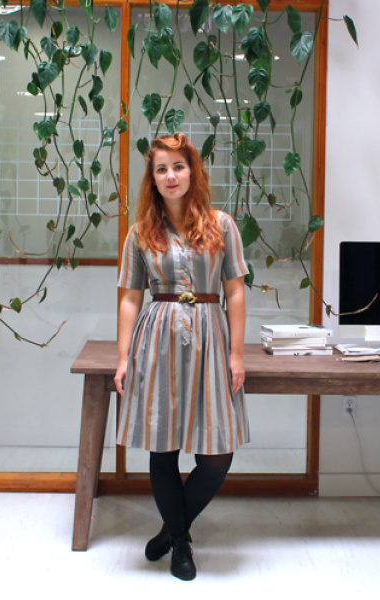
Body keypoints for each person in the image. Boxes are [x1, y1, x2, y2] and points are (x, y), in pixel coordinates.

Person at [113, 132, 249, 581]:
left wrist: (236, 354)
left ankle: (171, 531)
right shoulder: (140, 233)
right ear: (152, 179)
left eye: (178, 166)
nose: (170, 176)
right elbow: (130, 298)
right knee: (164, 443)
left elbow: (235, 292)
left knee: (218, 455)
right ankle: (181, 546)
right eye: (161, 169)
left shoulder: (221, 225)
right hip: (158, 338)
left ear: (192, 171)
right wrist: (123, 357)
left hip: (211, 336)